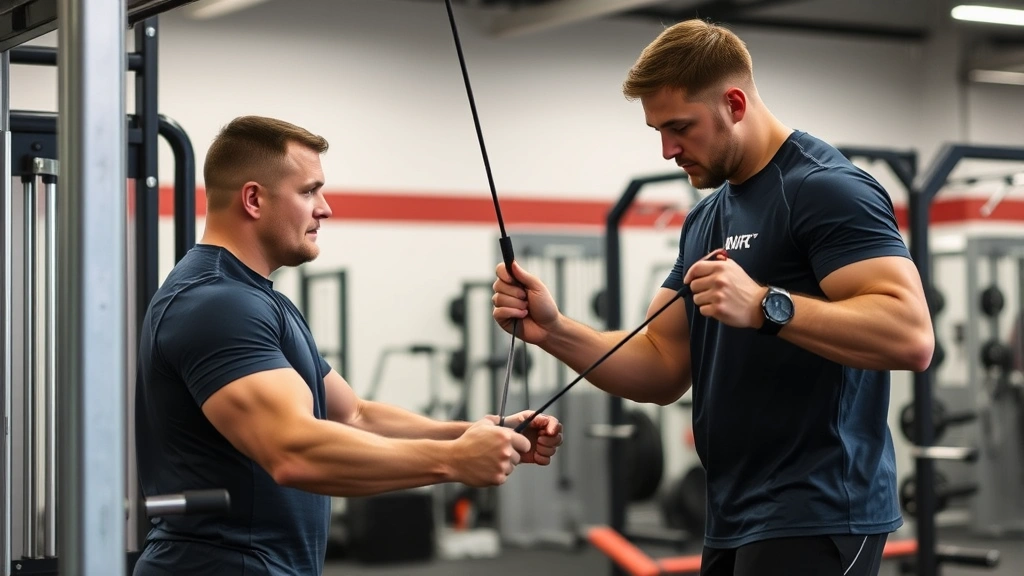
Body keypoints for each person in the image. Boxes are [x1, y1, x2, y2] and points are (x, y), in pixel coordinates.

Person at [491, 19, 934, 576]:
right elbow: (660, 364)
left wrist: (767, 305)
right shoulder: (706, 215)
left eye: (679, 127)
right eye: (657, 130)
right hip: (731, 509)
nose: (667, 149)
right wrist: (552, 330)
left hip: (819, 510)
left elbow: (912, 335)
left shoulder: (824, 188)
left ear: (734, 103)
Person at [133, 115, 563, 576]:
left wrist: (473, 432)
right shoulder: (217, 304)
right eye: (309, 191)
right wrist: (453, 461)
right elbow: (292, 451)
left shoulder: (255, 299)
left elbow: (353, 414)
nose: (326, 208)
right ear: (254, 199)